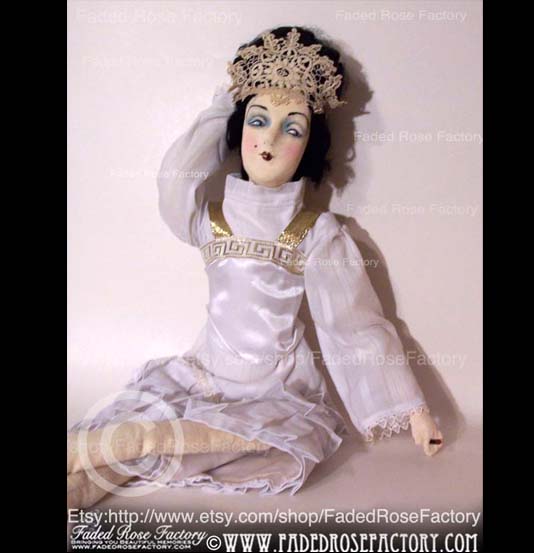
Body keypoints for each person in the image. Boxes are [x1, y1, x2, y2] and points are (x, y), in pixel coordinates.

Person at [67, 25, 443, 512]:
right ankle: (103, 462)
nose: (268, 140)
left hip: (277, 389)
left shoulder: (314, 231)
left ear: (309, 146)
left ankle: (125, 447)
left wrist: (413, 409)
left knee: (282, 439)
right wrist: (230, 99)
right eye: (257, 120)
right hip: (205, 377)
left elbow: (353, 324)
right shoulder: (211, 220)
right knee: (153, 416)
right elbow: (174, 179)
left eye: (292, 129)